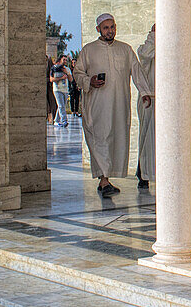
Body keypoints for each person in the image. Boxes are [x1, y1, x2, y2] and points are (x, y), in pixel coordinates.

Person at [74, 14, 152, 197]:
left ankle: (106, 179)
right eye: (106, 28)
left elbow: (137, 71)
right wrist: (89, 81)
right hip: (98, 104)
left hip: (119, 104)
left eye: (112, 27)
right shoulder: (89, 50)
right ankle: (104, 181)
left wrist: (145, 92)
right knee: (100, 138)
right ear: (98, 30)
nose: (110, 31)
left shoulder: (125, 49)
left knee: (115, 138)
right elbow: (78, 73)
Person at [135, 24, 156, 189]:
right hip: (150, 97)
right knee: (146, 137)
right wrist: (154, 36)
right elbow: (145, 55)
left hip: (169, 98)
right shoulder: (146, 49)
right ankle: (143, 173)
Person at [50, 56, 72, 127]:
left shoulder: (67, 69)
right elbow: (51, 79)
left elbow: (71, 79)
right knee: (61, 105)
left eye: (66, 60)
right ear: (60, 60)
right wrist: (61, 78)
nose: (65, 61)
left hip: (65, 90)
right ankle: (64, 121)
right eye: (64, 60)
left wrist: (67, 73)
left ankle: (56, 120)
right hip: (57, 89)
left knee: (62, 106)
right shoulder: (54, 68)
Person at [45, 54, 57, 124]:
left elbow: (51, 72)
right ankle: (48, 116)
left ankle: (52, 117)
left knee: (52, 101)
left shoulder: (49, 60)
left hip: (49, 84)